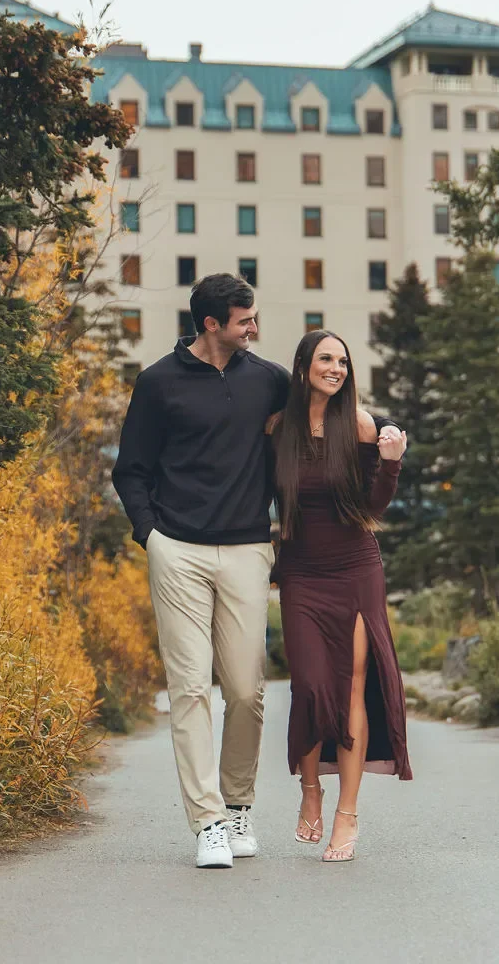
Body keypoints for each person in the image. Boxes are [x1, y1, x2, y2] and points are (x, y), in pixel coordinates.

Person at [111, 273, 289, 869]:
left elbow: (320, 418)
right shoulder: (159, 382)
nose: (255, 328)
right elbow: (130, 469)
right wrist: (152, 537)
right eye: (245, 320)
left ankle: (238, 805)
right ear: (212, 324)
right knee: (189, 689)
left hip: (245, 549)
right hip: (178, 550)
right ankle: (208, 821)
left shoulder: (266, 381)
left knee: (245, 690)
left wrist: (377, 431)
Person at [269, 329, 412, 863]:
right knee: (309, 685)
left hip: (355, 569)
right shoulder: (277, 428)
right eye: (326, 359)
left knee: (352, 689)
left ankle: (347, 817)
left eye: (343, 362)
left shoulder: (360, 425)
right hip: (301, 573)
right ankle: (312, 791)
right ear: (304, 362)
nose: (336, 369)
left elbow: (372, 506)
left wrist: (392, 462)